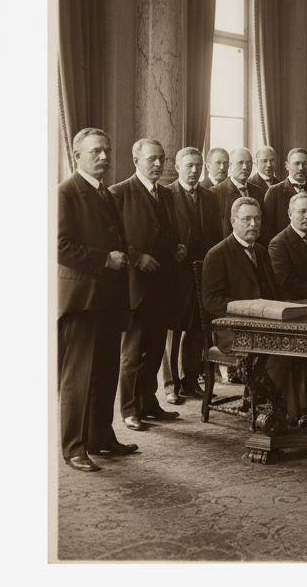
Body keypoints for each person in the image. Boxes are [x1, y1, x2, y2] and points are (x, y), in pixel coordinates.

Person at [57, 128, 136, 472]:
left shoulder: (106, 192)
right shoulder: (65, 192)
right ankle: (74, 448)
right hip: (83, 299)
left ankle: (101, 437)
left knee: (105, 372)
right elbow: (59, 245)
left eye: (106, 151)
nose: (104, 157)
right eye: (95, 153)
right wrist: (106, 259)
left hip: (109, 297)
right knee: (79, 378)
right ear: (77, 156)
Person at [110, 138, 187, 431]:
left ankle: (148, 403)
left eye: (162, 159)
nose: (158, 164)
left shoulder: (165, 194)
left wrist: (177, 247)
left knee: (155, 349)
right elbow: (114, 238)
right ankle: (129, 410)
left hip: (163, 285)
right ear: (136, 160)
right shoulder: (120, 192)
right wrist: (137, 257)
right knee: (132, 354)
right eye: (152, 159)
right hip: (136, 286)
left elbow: (168, 231)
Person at [201, 197, 298, 420]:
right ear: (233, 221)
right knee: (280, 353)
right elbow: (211, 301)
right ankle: (280, 414)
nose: (253, 224)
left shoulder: (262, 253)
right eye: (247, 219)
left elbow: (274, 294)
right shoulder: (217, 254)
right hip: (231, 331)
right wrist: (250, 310)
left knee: (295, 345)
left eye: (257, 219)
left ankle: (291, 411)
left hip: (263, 328)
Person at [162, 147, 221, 406]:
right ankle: (170, 385)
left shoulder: (210, 197)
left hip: (201, 272)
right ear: (177, 167)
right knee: (174, 331)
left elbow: (217, 236)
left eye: (198, 165)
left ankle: (190, 381)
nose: (195, 170)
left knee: (197, 329)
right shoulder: (167, 195)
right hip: (176, 275)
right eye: (189, 166)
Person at [261, 147, 307, 245]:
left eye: (305, 164)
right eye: (297, 163)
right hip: (284, 249)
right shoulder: (274, 192)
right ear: (287, 166)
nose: (301, 168)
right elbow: (267, 229)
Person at [210, 146, 266, 239]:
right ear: (230, 166)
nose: (245, 167)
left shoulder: (259, 192)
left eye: (249, 163)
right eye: (240, 163)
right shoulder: (215, 193)